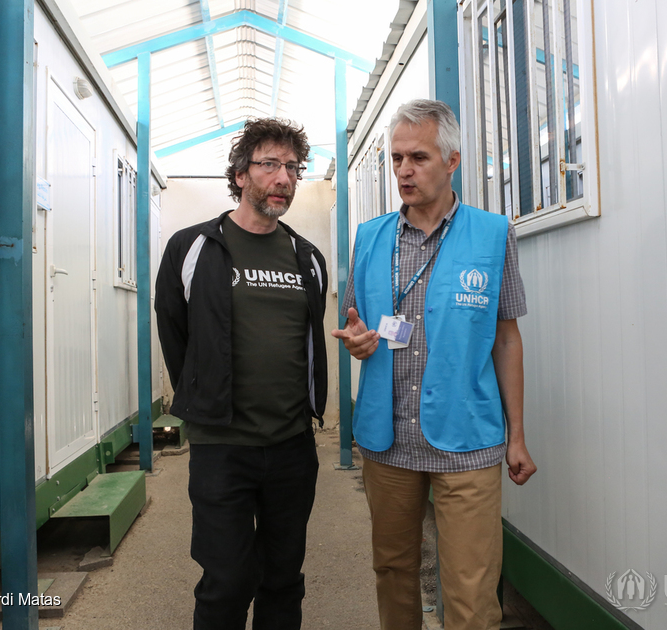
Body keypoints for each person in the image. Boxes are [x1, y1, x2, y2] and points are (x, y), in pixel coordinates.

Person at [332, 99, 537, 630]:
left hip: (468, 437)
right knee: (394, 569)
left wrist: (517, 436)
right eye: (397, 158)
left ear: (452, 162)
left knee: (471, 590)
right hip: (387, 437)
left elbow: (507, 339)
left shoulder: (493, 235)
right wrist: (357, 341)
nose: (403, 170)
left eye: (418, 157)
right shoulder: (369, 238)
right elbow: (357, 322)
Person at [155, 117, 328, 630]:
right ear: (239, 176)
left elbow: (308, 337)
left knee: (283, 578)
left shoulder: (307, 258)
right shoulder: (192, 249)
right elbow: (175, 334)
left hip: (292, 448)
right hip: (222, 448)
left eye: (293, 168)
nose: (283, 179)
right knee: (226, 580)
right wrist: (204, 397)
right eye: (270, 165)